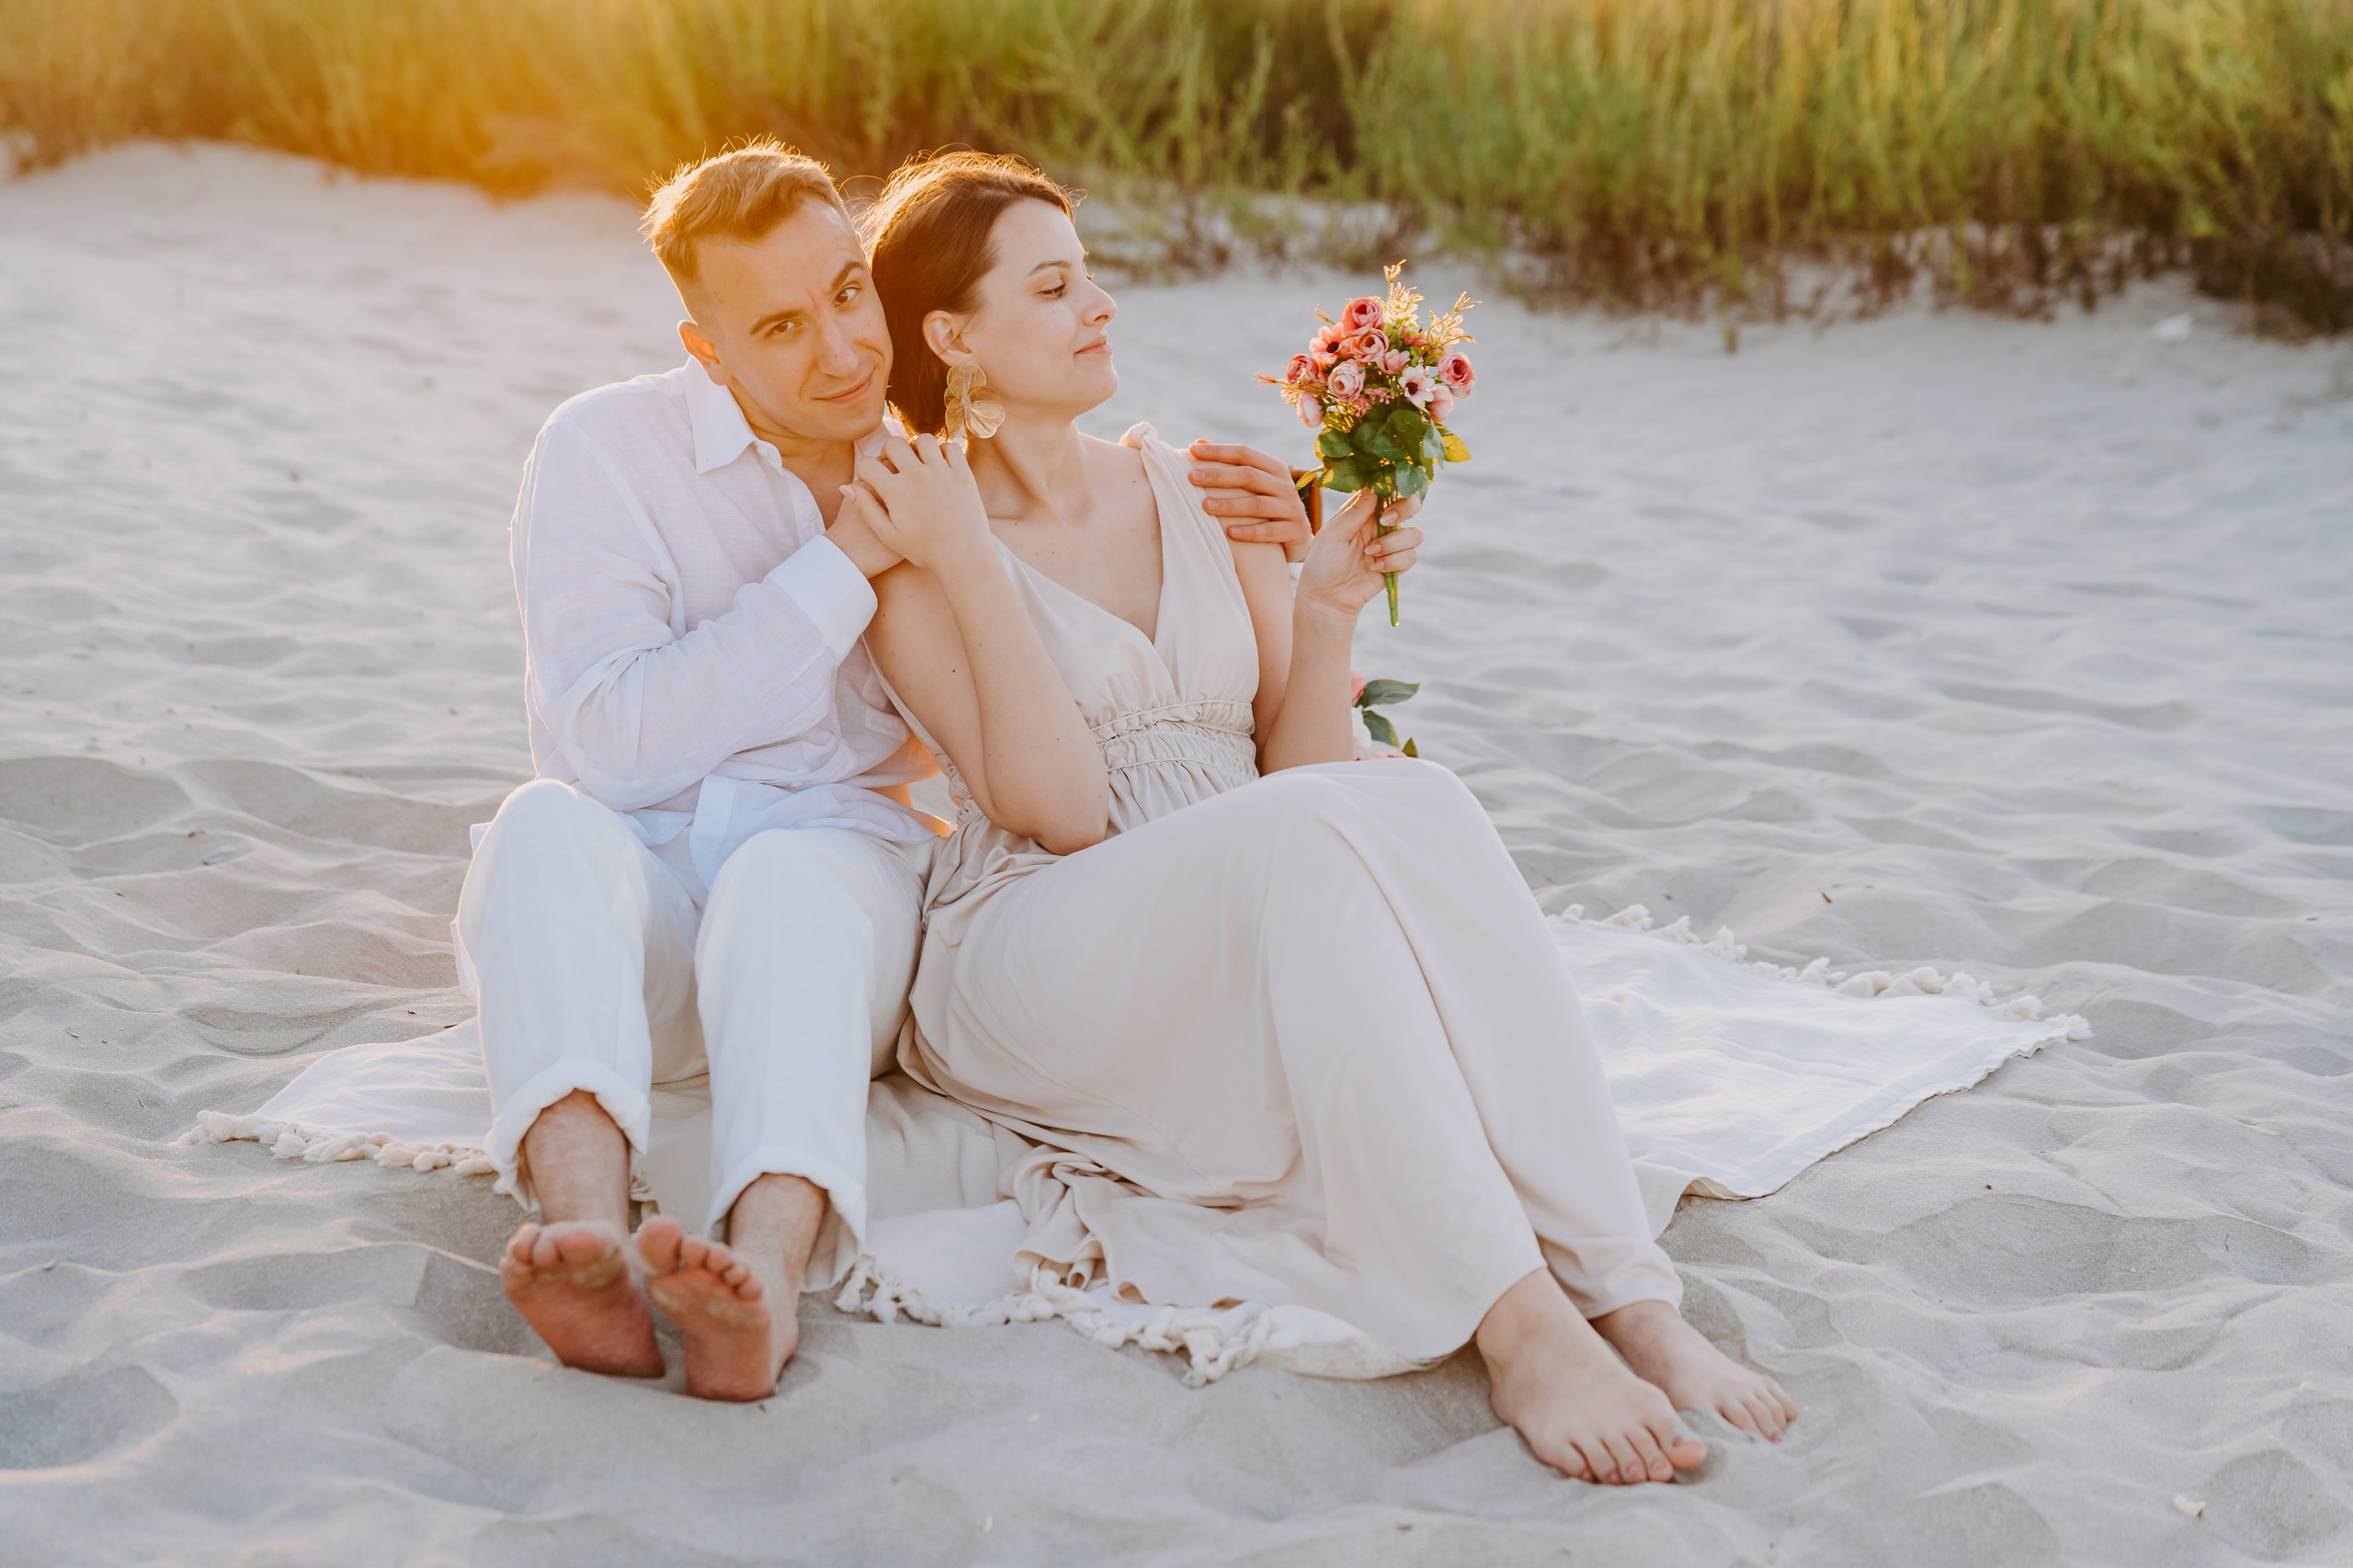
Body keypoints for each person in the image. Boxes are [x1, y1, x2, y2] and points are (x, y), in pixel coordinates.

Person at [842, 152, 1800, 1482]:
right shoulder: (915, 547)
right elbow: (1057, 810)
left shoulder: (1199, 486)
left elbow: (1302, 772)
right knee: (1302, 837)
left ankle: (1630, 1297)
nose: (1101, 305)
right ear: (953, 337)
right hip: (1039, 946)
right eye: (1055, 286)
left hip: (1262, 891)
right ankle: (1519, 1322)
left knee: (1412, 790)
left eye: (1093, 273)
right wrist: (969, 557)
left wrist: (1327, 604)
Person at [466, 140, 1318, 1403]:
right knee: (537, 825)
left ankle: (758, 1279)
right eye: (781, 326)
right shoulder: (605, 452)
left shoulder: (933, 477)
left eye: (850, 292)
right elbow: (602, 741)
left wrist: (1279, 553)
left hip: (840, 894)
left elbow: (1084, 659)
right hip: (638, 916)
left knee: (792, 880)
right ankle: (582, 1238)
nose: (844, 350)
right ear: (709, 351)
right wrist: (830, 571)